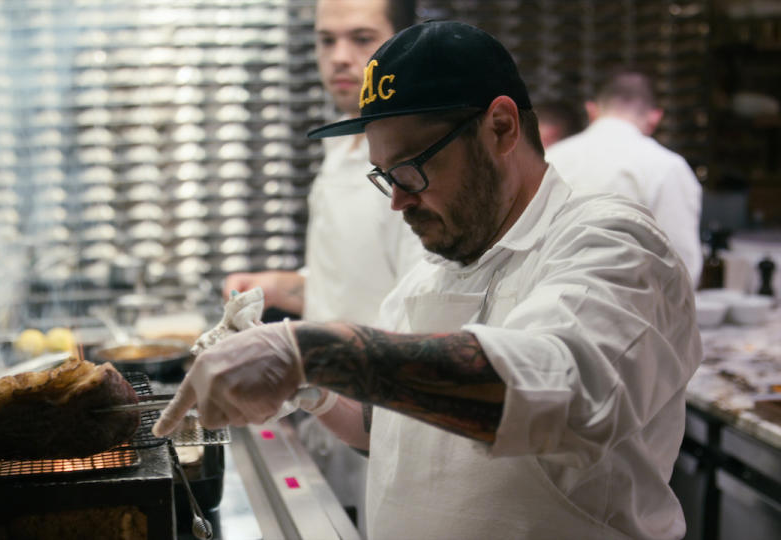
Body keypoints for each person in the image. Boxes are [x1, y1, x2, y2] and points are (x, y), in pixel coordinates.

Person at [155, 21, 701, 540]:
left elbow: (557, 390)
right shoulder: (433, 269)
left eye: (412, 168)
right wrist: (313, 393)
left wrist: (313, 349)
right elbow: (393, 430)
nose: (397, 200)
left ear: (501, 128)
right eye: (385, 176)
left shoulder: (613, 242)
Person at [223, 0, 422, 529]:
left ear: (401, 43)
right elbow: (351, 275)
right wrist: (280, 287)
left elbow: (421, 308)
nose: (339, 57)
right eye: (326, 40)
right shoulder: (343, 141)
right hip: (327, 410)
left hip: (385, 421)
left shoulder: (415, 158)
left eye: (361, 39)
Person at [546, 70, 703, 286]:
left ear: (592, 110)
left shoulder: (550, 158)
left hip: (545, 310)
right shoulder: (667, 167)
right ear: (655, 118)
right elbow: (681, 268)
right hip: (627, 313)